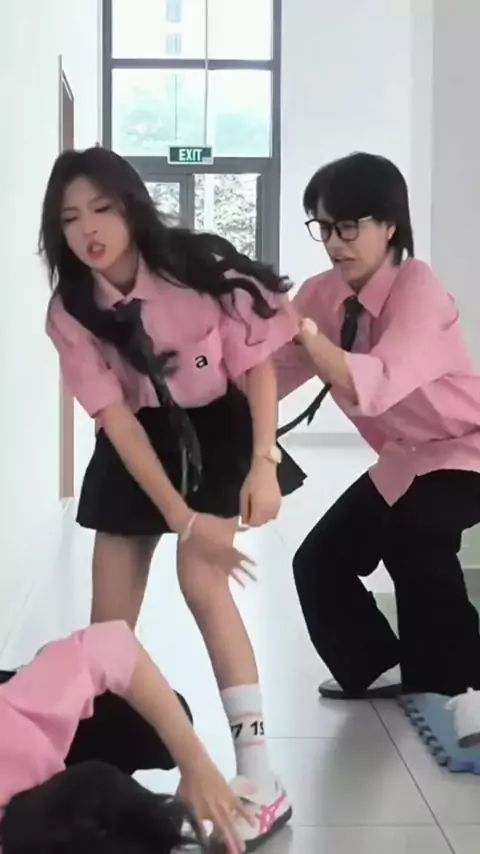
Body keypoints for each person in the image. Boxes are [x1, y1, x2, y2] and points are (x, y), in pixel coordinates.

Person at [41, 146, 302, 848]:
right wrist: (181, 518)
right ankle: (104, 780)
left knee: (202, 583)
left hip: (214, 428)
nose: (89, 229)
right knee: (107, 633)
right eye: (70, 218)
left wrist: (264, 463)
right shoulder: (72, 310)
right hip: (138, 441)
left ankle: (260, 776)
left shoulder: (196, 266)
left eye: (102, 208)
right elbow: (117, 420)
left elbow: (258, 364)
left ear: (131, 206)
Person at [273, 151, 480, 748]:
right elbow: (271, 370)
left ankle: (462, 685)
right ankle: (379, 667)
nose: (334, 243)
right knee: (318, 562)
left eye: (347, 226)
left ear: (389, 225)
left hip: (466, 451)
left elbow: (382, 379)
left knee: (416, 532)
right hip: (405, 459)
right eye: (323, 227)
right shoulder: (322, 294)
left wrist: (307, 336)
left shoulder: (420, 290)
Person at [0, 619, 252, 852]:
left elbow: (112, 644)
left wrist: (196, 765)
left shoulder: (24, 727)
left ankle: (50, 673)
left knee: (153, 728)